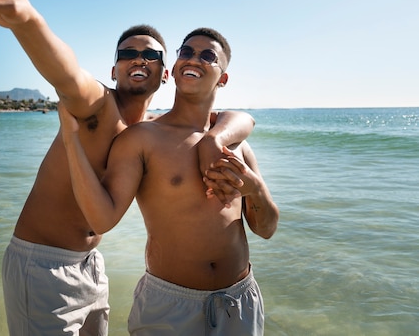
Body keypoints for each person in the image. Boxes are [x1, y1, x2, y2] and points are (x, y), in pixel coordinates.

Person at [0, 0, 256, 335]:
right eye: (128, 53)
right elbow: (64, 69)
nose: (139, 60)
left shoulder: (149, 131)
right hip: (42, 264)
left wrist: (218, 137)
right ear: (113, 69)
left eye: (151, 56)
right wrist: (25, 19)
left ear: (164, 74)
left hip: (92, 265)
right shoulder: (93, 105)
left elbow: (237, 117)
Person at [60, 27, 280, 335]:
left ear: (223, 78)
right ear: (174, 69)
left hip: (239, 301)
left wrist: (255, 187)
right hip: (169, 304)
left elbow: (266, 229)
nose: (194, 59)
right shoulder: (141, 139)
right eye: (186, 52)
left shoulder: (236, 144)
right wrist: (71, 141)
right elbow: (102, 218)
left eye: (208, 56)